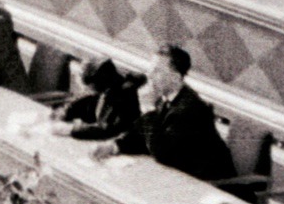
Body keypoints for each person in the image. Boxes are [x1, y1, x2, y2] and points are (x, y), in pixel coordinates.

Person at [93, 45, 235, 181]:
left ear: (175, 77)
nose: (149, 75)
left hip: (207, 184)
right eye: (150, 70)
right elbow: (141, 135)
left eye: (157, 71)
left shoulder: (190, 108)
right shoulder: (164, 98)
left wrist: (148, 108)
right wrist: (114, 146)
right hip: (179, 176)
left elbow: (162, 153)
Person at [51, 58, 145, 141]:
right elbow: (86, 101)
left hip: (120, 143)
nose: (87, 88)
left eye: (89, 85)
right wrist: (66, 111)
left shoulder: (123, 95)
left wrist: (72, 130)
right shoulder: (108, 87)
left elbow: (107, 130)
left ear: (99, 82)